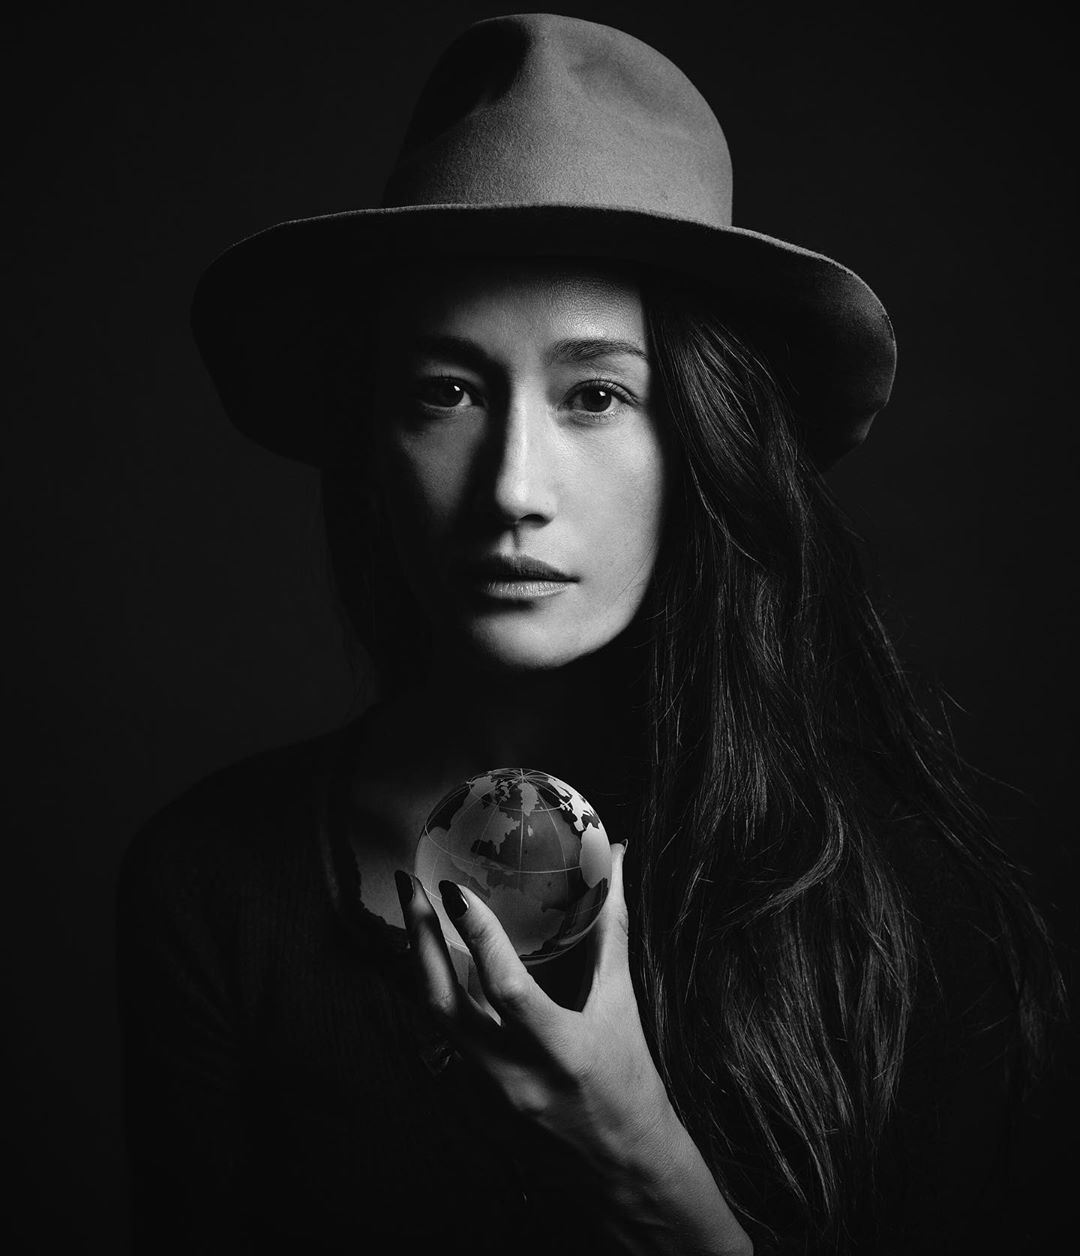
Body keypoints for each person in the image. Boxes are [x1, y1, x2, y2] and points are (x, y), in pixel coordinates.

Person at [116, 14, 1061, 1255]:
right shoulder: (217, 884)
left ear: (705, 444)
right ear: (372, 445)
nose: (513, 485)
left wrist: (642, 1166)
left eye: (596, 394)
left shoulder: (894, 903)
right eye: (447, 391)